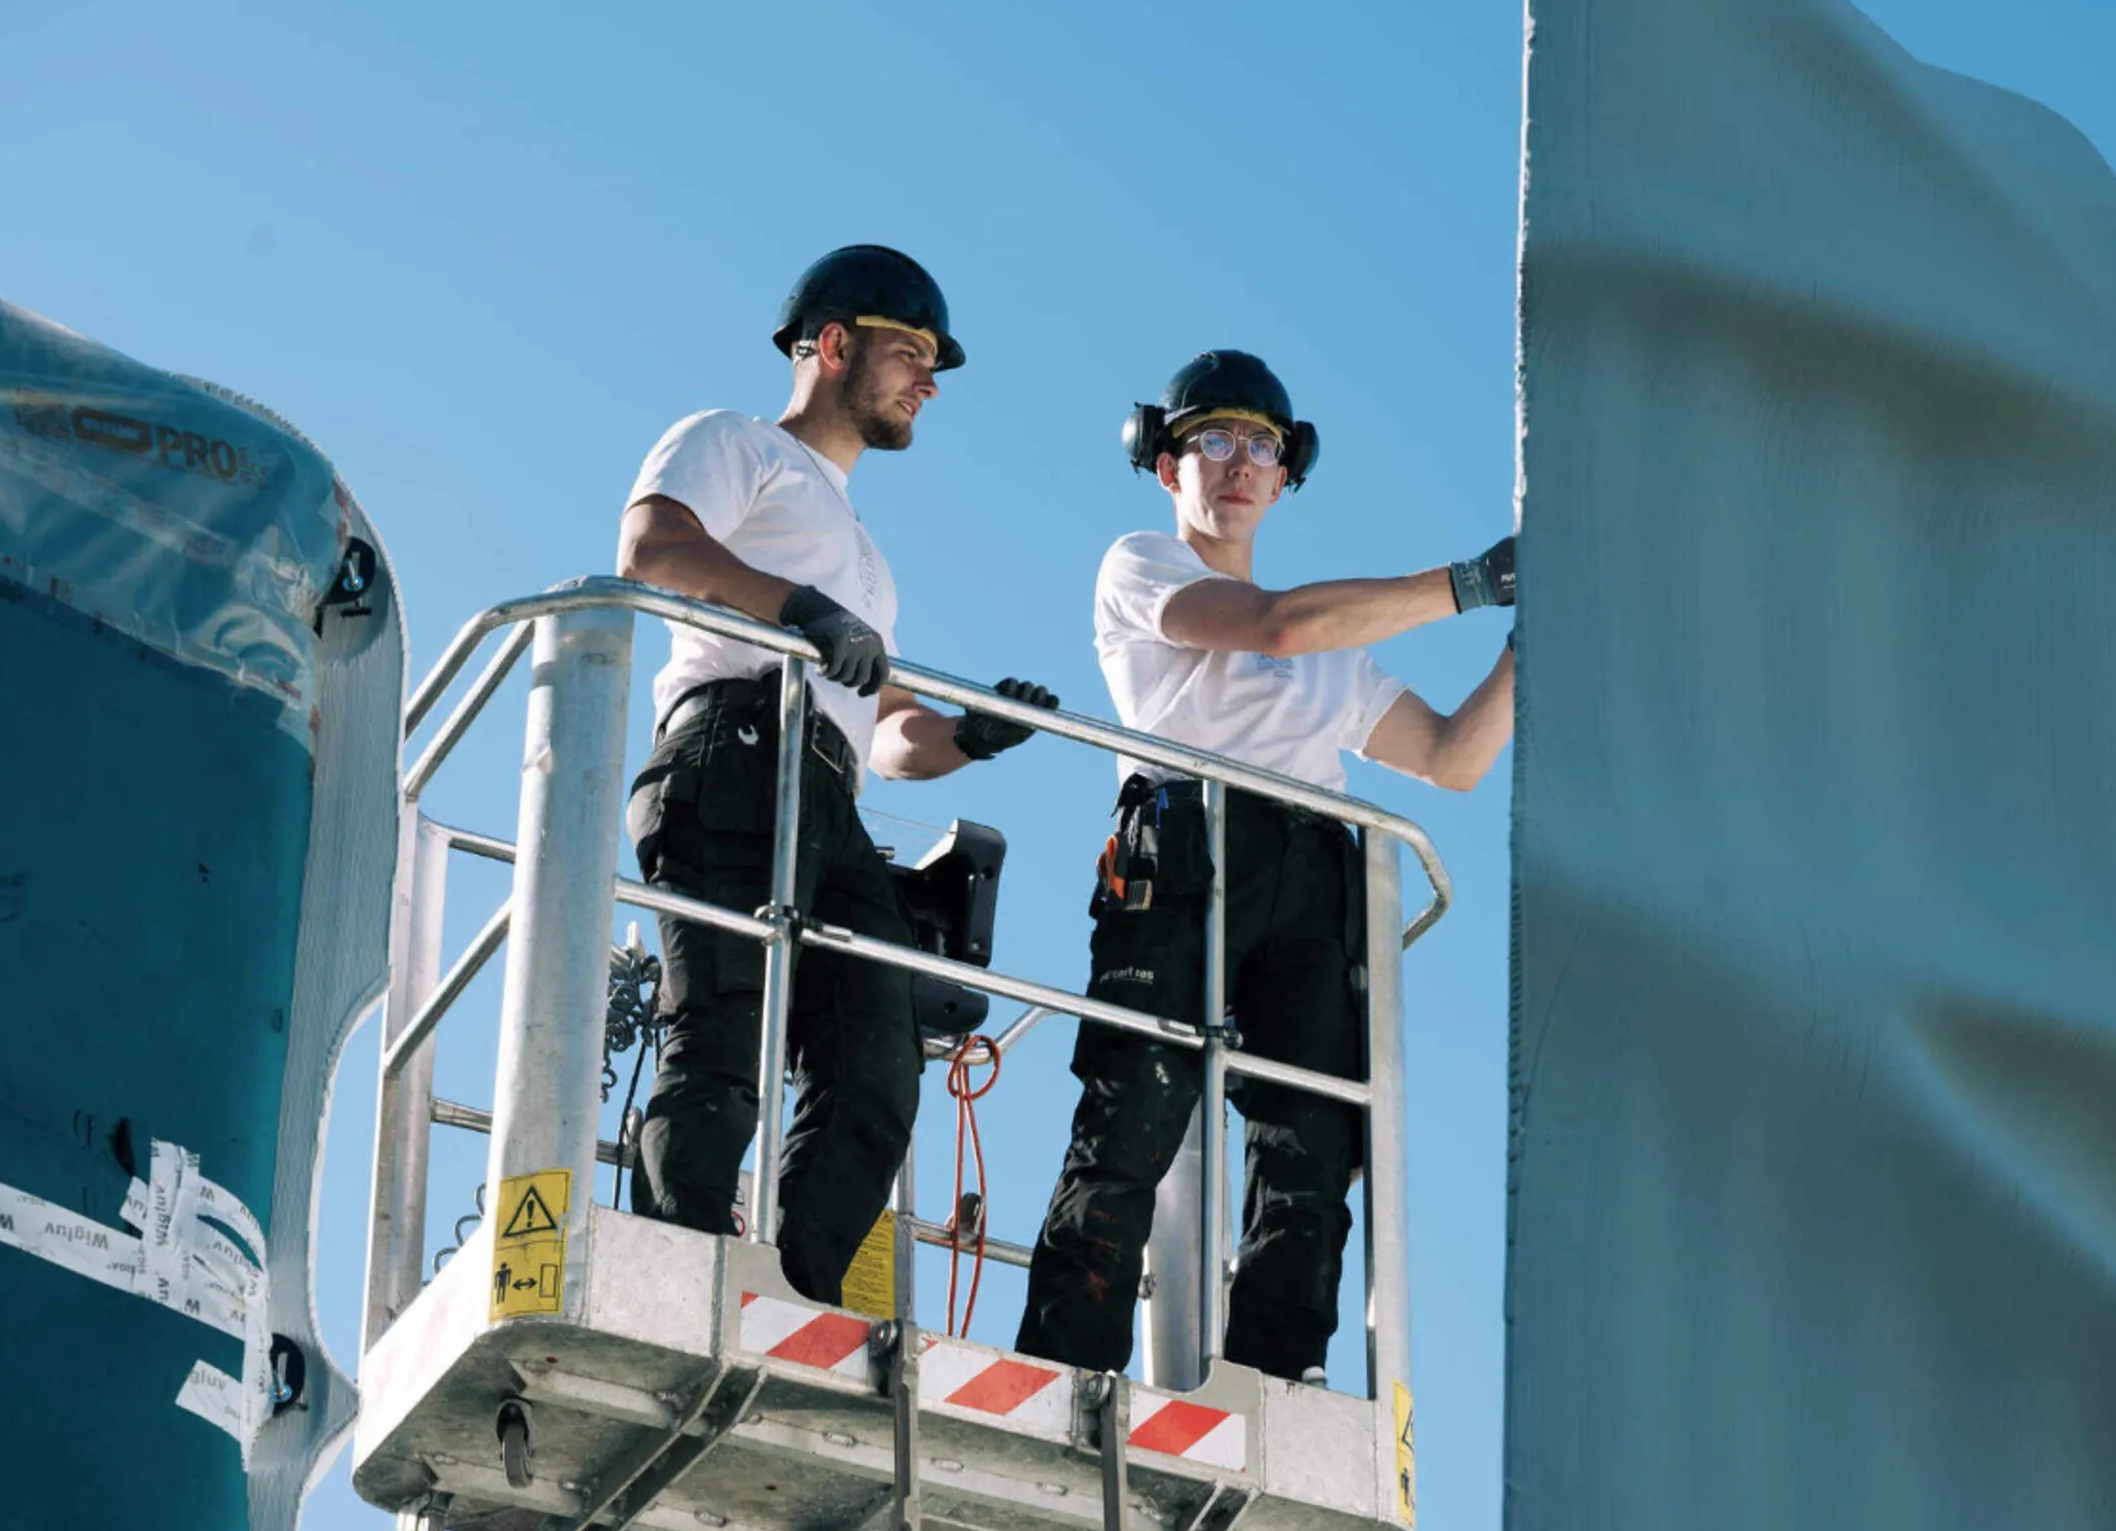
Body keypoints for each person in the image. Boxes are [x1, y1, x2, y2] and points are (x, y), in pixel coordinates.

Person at [1014, 349, 1513, 1383]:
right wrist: (1472, 584)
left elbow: (1452, 759)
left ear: (1285, 476)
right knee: (1133, 1114)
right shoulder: (1143, 564)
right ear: (1167, 463)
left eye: (1262, 445)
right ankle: (1069, 1373)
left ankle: (1272, 1385)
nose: (1238, 461)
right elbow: (1273, 627)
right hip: (1189, 848)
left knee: (1313, 1148)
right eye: (1213, 438)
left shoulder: (1343, 651)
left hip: (1312, 874)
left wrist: (1529, 640)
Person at [617, 244, 1058, 1306]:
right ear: (830, 344)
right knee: (719, 1040)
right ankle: (685, 1277)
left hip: (828, 790)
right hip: (731, 753)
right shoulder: (736, 444)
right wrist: (798, 611)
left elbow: (885, 727)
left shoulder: (863, 552)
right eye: (910, 350)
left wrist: (968, 737)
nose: (928, 379)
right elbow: (650, 543)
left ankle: (788, 1296)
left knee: (876, 1059)